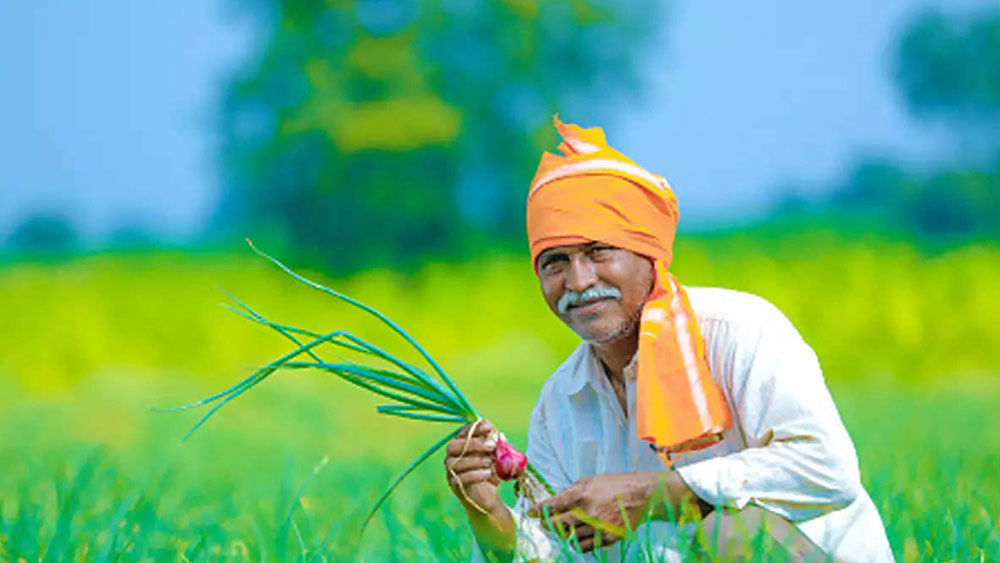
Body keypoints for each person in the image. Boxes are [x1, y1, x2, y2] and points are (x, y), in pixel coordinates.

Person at [443, 117, 894, 562]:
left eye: (599, 252)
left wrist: (651, 496)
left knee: (729, 532)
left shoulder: (738, 331)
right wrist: (490, 515)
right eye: (555, 262)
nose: (578, 281)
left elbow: (828, 470)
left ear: (650, 256)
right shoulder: (560, 402)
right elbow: (556, 553)